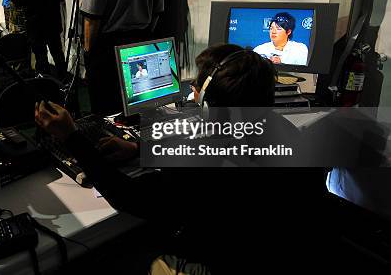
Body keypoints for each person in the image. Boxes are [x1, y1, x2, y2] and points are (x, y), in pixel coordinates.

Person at [35, 44, 331, 273]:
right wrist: (142, 150)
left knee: (123, 258)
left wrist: (71, 137)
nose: (192, 90)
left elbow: (127, 196)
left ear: (209, 103)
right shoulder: (281, 131)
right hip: (282, 255)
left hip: (225, 262)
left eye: (198, 87)